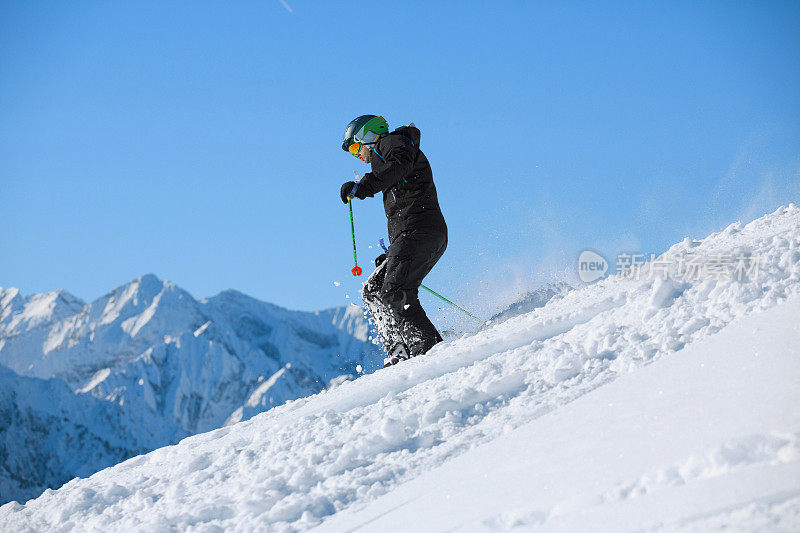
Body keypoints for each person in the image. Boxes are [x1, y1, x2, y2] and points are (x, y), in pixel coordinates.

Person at [340, 115, 448, 366]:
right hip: (412, 235)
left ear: (368, 138)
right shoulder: (386, 157)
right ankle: (399, 350)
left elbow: (400, 165)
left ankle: (429, 350)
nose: (356, 155)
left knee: (396, 290)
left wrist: (363, 186)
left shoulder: (392, 143)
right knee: (373, 290)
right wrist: (394, 251)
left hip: (422, 232)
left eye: (355, 147)